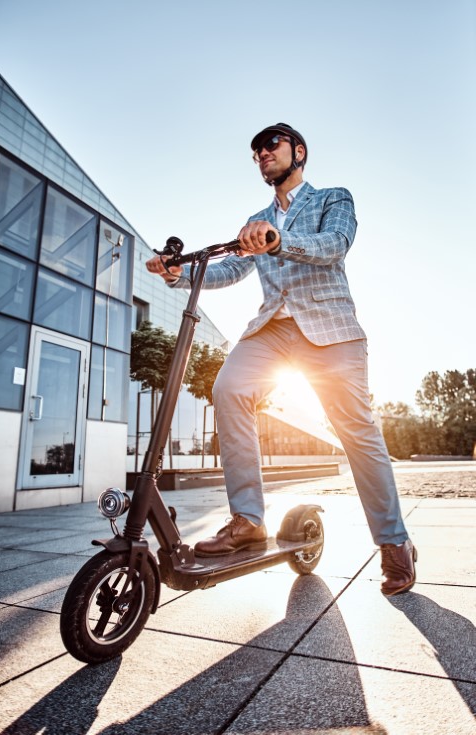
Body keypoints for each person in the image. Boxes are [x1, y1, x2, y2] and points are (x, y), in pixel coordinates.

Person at [146, 123, 416, 596]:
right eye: (255, 152)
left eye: (271, 145)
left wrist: (278, 240)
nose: (262, 154)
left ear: (299, 151)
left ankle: (395, 543)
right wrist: (179, 272)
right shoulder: (255, 218)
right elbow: (232, 268)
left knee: (358, 433)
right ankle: (247, 520)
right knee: (228, 390)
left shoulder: (334, 198)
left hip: (331, 334)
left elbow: (335, 245)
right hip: (272, 332)